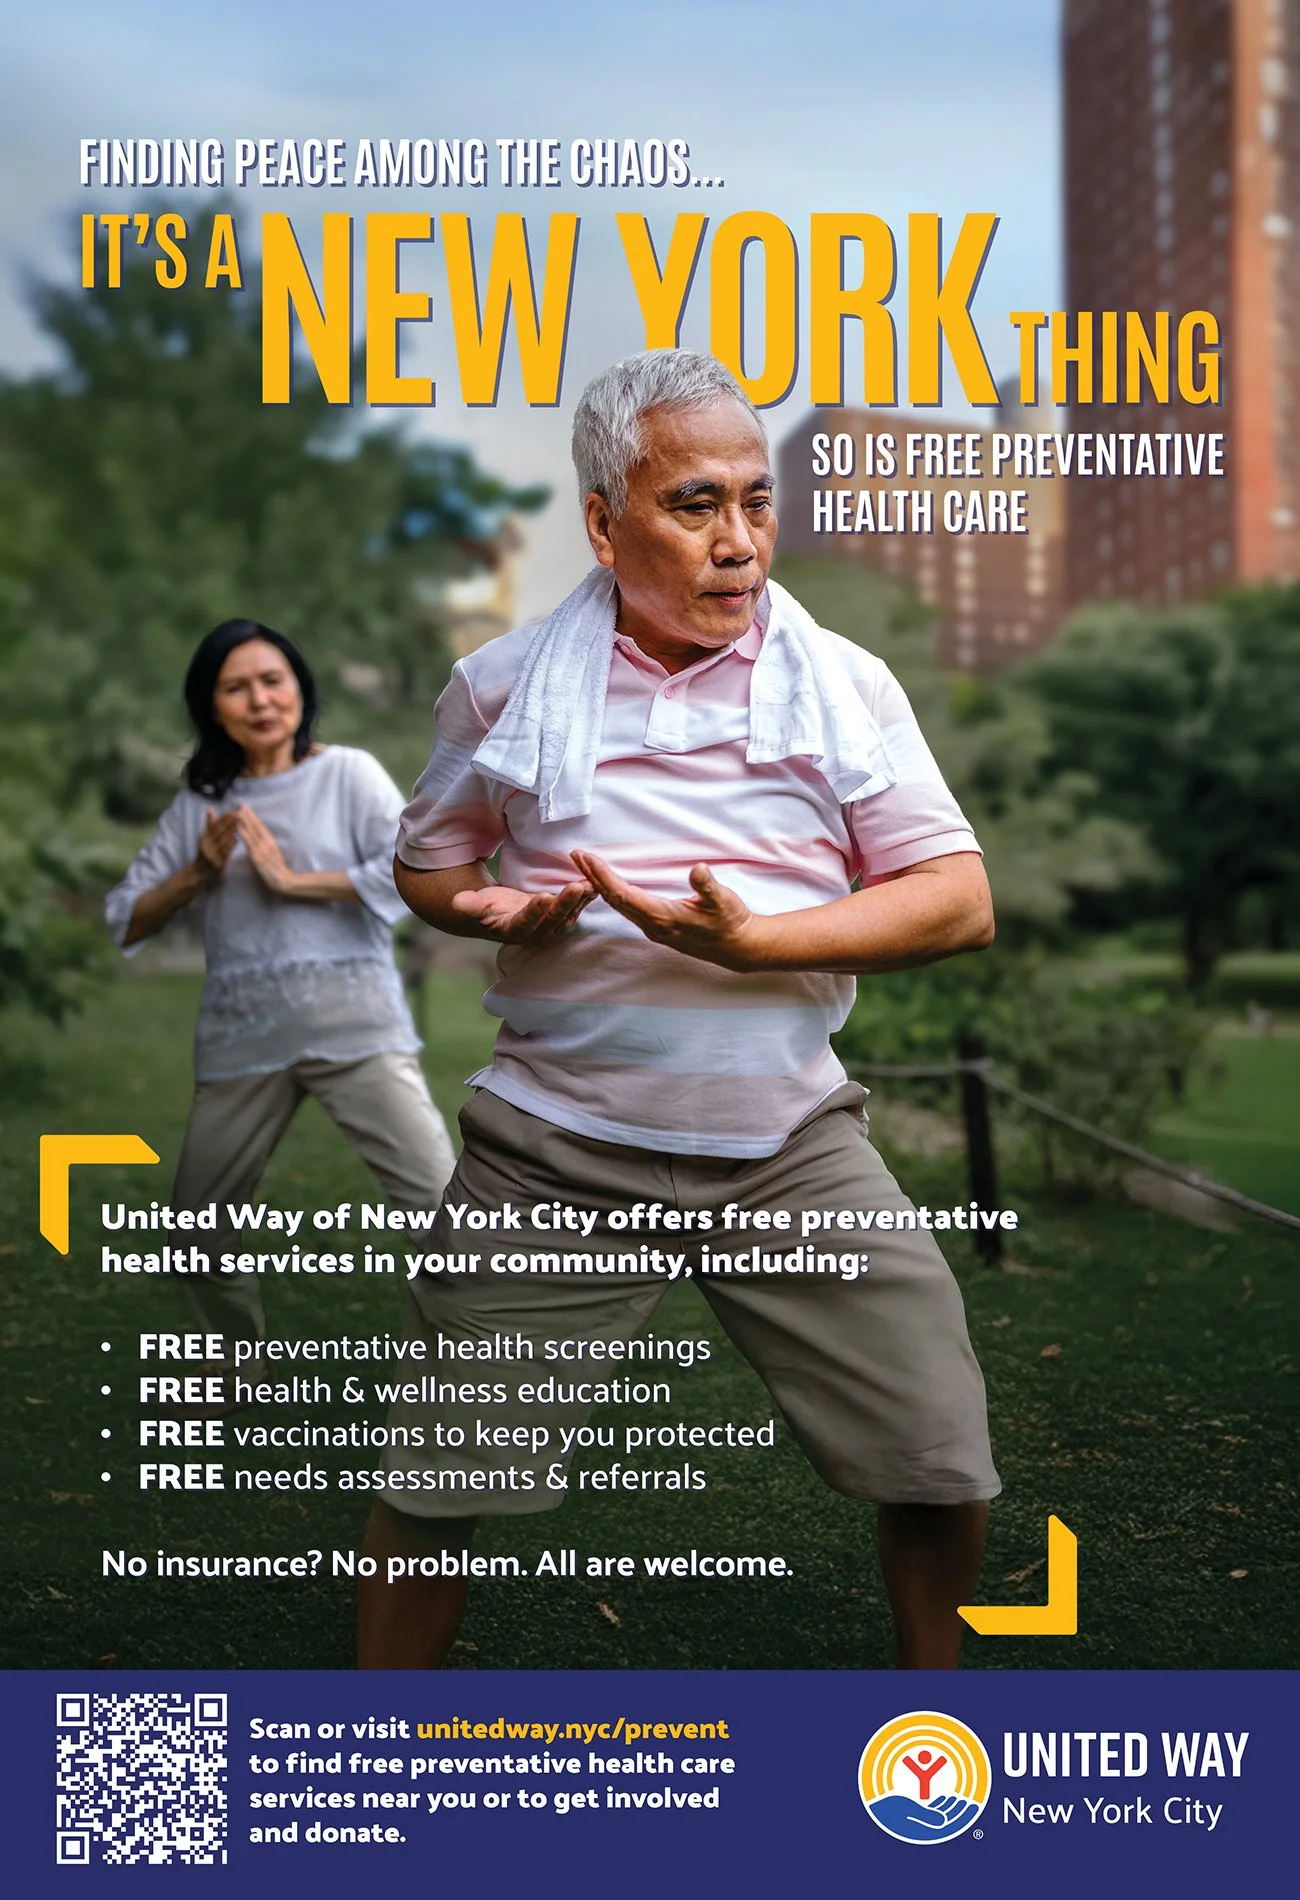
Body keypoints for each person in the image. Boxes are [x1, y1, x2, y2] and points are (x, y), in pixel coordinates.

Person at [356, 351, 999, 1672]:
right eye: (695, 504)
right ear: (604, 524)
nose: (740, 541)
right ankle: (377, 1747)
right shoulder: (500, 686)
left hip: (791, 1148)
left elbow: (956, 898)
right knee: (434, 1486)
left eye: (756, 501)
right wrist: (487, 908)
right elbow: (429, 863)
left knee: (940, 1458)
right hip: (552, 1155)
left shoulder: (846, 686)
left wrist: (760, 945)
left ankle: (937, 1722)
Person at [104, 619, 456, 1383]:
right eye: (237, 688)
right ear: (212, 706)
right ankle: (238, 1362)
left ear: (300, 687)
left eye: (273, 680)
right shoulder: (202, 805)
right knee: (195, 1228)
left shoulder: (349, 774)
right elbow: (126, 916)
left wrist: (294, 882)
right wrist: (197, 873)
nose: (261, 700)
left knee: (440, 1213)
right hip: (244, 1039)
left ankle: (471, 1371)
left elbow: (410, 874)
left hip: (356, 1029)